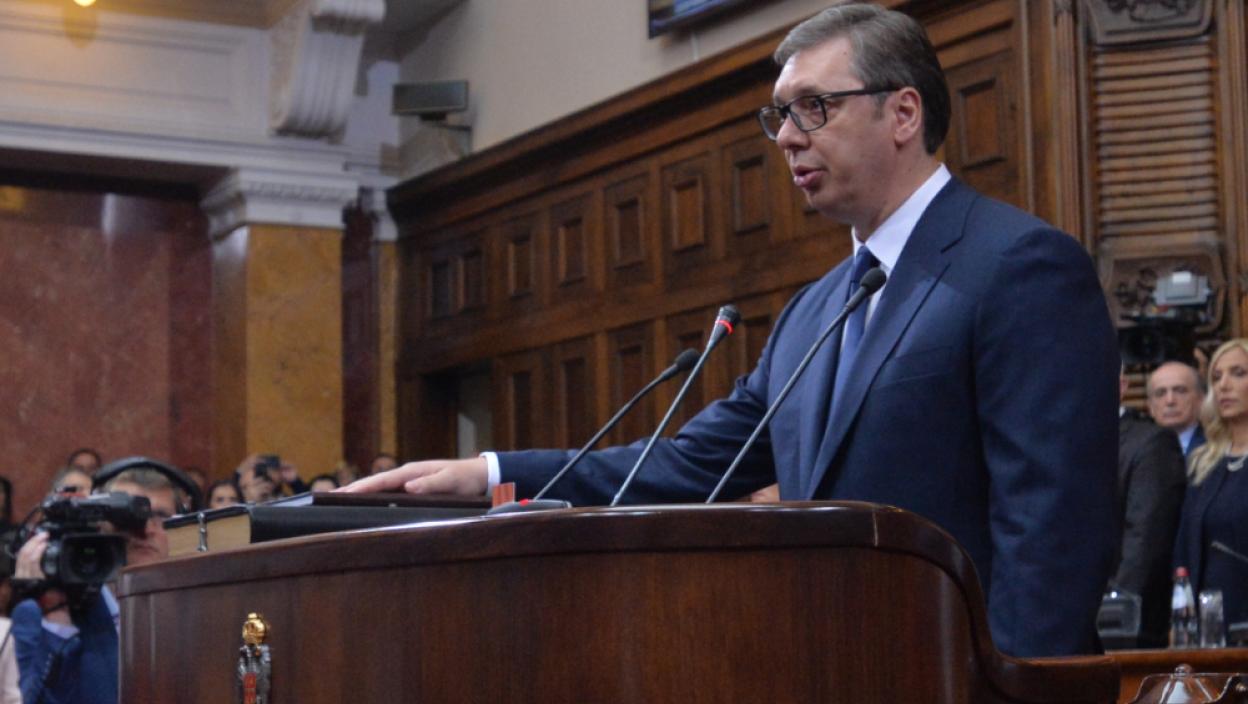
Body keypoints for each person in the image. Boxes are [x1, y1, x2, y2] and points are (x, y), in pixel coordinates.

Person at [344, 1, 1119, 658]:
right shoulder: (813, 311)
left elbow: (1053, 531)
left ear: (903, 113)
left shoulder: (1015, 265)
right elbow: (682, 465)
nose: (786, 137)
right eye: (780, 115)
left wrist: (1012, 686)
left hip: (963, 678)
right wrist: (487, 475)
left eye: (814, 107)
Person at [9, 468, 177, 704]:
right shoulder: (40, 615)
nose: (147, 529)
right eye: (130, 518)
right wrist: (58, 618)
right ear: (101, 526)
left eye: (160, 517)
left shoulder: (195, 610)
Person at [1173, 339, 1248, 627]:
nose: (1223, 386)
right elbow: (1184, 548)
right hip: (1209, 624)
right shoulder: (1203, 462)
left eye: (1238, 373)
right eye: (1216, 377)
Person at [1114, 366, 1187, 647]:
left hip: (1129, 628)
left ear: (1121, 386)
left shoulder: (1150, 442)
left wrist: (1113, 612)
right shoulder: (1067, 442)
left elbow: (1145, 539)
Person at [1147, 361, 1206, 458]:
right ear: (1151, 407)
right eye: (1161, 393)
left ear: (1201, 399)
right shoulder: (1140, 450)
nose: (1170, 401)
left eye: (1180, 391)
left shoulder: (1220, 446)